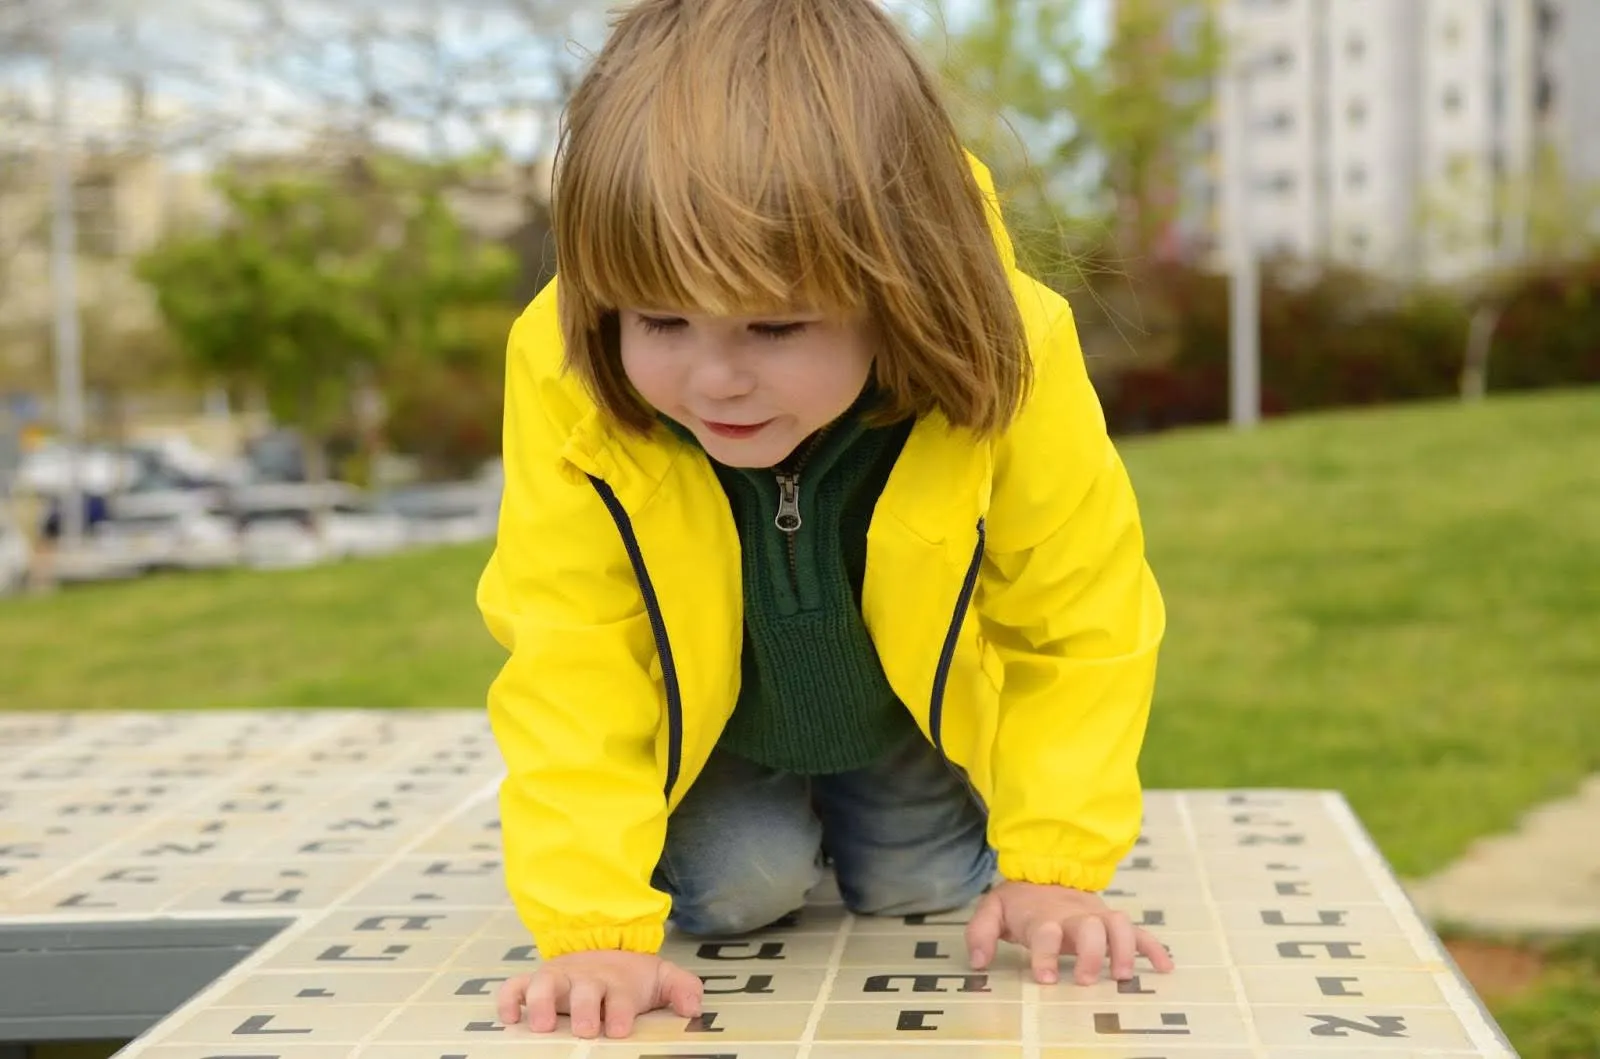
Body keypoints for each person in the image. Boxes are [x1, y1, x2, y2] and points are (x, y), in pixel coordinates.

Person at [476, 0, 1171, 1042]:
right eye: (659, 319)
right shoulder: (564, 362)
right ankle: (753, 813)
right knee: (739, 894)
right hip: (716, 725)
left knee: (926, 886)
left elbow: (1080, 619)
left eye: (773, 324)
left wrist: (1055, 866)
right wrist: (591, 928)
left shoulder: (1013, 351)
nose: (715, 379)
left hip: (892, 713)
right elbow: (570, 644)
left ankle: (878, 803)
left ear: (900, 288)